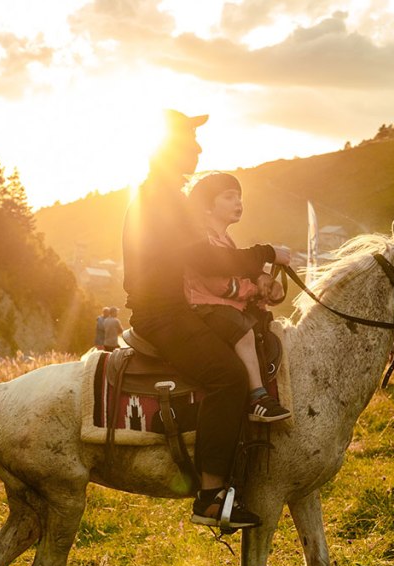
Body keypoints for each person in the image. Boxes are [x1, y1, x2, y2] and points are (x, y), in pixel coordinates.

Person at [122, 109, 291, 529]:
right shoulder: (161, 199)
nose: (197, 148)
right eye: (188, 141)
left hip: (172, 308)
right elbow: (205, 258)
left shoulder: (162, 195)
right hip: (161, 314)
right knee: (228, 376)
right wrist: (264, 255)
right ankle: (212, 497)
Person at [184, 172, 290, 422]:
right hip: (205, 305)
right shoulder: (205, 239)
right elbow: (217, 284)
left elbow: (236, 270)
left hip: (220, 304)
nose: (238, 202)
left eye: (240, 197)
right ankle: (257, 396)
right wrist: (253, 291)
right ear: (208, 207)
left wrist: (263, 285)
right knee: (244, 332)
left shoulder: (224, 239)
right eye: (229, 197)